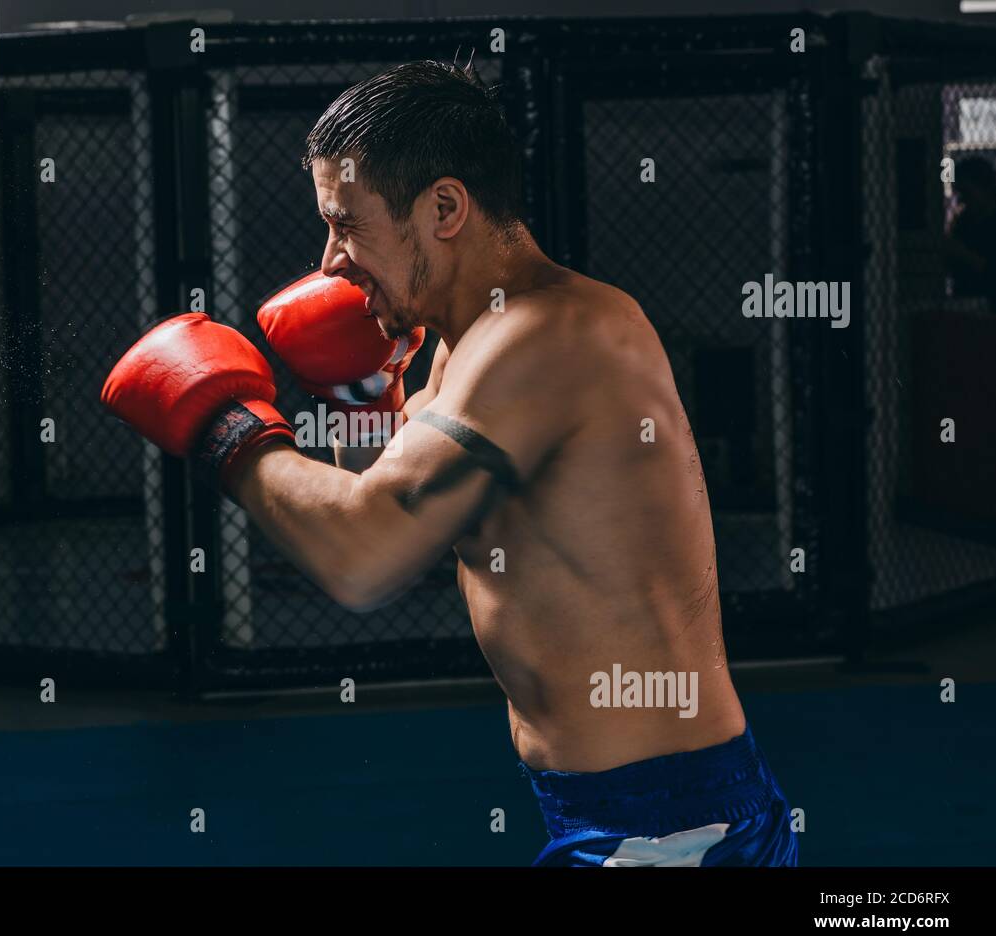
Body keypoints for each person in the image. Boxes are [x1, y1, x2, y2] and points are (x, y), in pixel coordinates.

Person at [102, 60, 798, 866]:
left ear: (443, 208)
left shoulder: (550, 334)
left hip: (673, 824)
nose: (330, 260)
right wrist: (362, 392)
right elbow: (391, 507)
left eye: (347, 224)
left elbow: (361, 554)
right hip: (614, 809)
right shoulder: (459, 348)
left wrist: (228, 430)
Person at [945, 155, 996, 309]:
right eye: (959, 194)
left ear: (985, 189)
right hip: (966, 303)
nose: (962, 200)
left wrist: (962, 253)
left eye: (967, 193)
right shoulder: (964, 222)